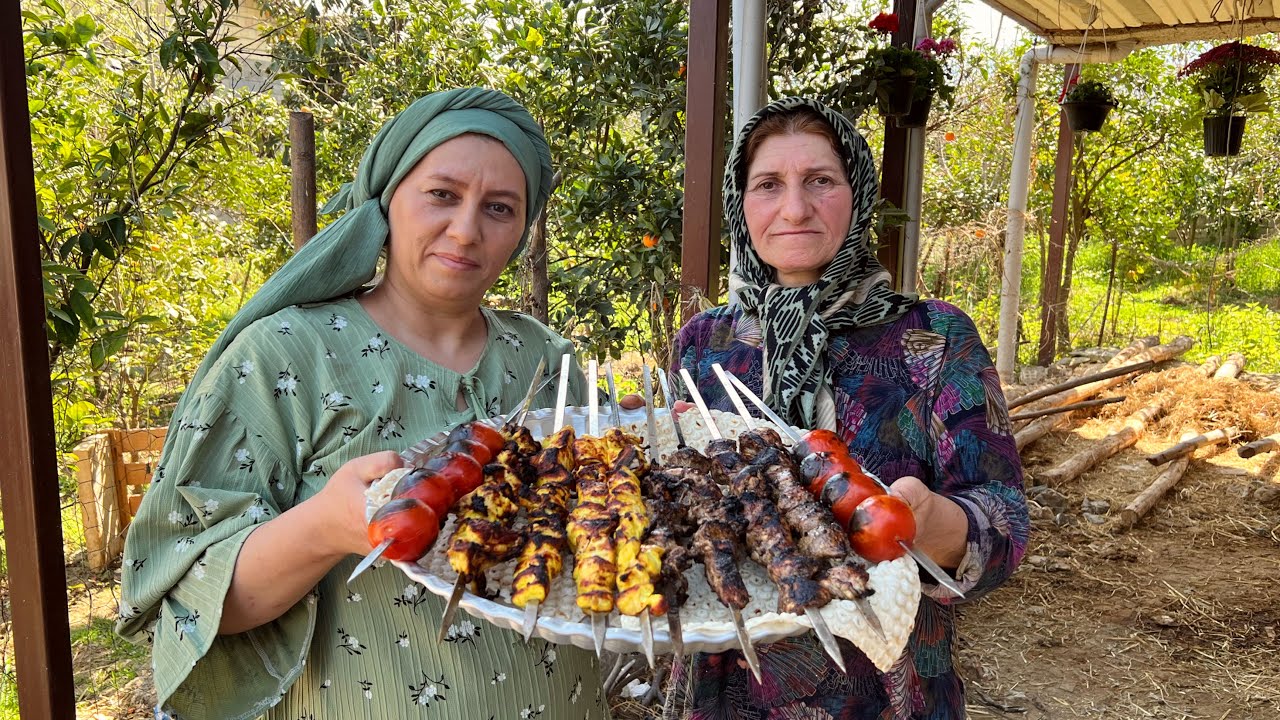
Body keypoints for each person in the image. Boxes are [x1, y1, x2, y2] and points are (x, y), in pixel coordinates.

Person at [116, 88, 611, 720]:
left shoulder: (544, 357)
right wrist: (324, 527)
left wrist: (655, 454)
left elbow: (603, 494)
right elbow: (188, 594)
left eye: (499, 208)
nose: (466, 230)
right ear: (388, 198)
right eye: (442, 194)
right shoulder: (284, 355)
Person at [665, 96, 1028, 719]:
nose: (794, 208)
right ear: (740, 203)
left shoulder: (934, 337)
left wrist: (931, 522)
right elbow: (681, 496)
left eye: (820, 181)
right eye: (768, 185)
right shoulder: (705, 342)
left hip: (882, 687)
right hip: (725, 680)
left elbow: (1007, 522)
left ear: (857, 194)